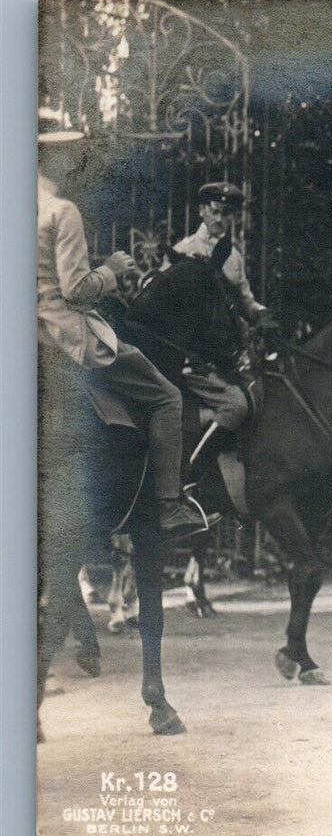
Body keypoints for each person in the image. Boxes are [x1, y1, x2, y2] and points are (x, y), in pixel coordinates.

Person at [37, 111, 210, 540]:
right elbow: (76, 290)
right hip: (65, 339)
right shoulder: (62, 210)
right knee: (168, 397)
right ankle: (169, 507)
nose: (77, 161)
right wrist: (112, 270)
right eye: (70, 153)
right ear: (50, 157)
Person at [154, 181, 277, 468]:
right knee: (236, 406)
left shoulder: (233, 257)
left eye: (227, 214)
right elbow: (160, 305)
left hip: (224, 356)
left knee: (262, 396)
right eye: (215, 211)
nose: (220, 220)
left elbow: (245, 300)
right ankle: (191, 472)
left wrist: (262, 314)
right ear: (202, 211)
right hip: (191, 358)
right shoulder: (183, 252)